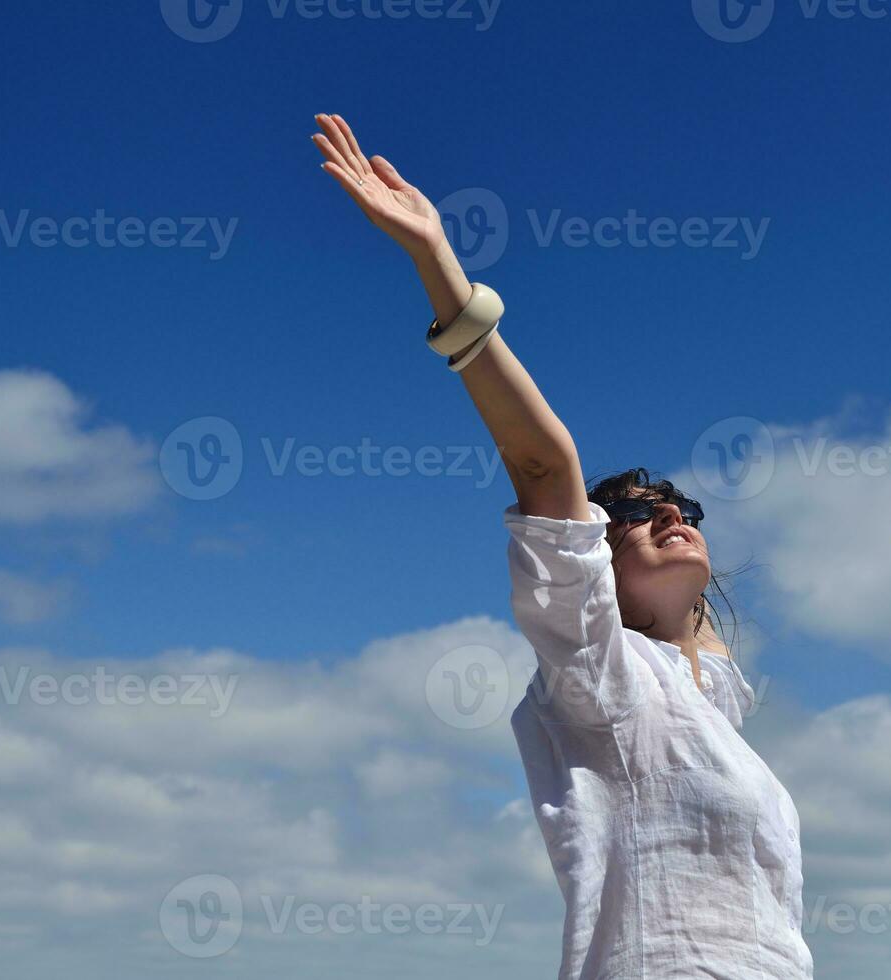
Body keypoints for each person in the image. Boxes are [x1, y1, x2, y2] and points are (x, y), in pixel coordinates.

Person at [312, 113, 812, 980]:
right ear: (588, 560)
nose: (662, 515)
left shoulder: (712, 706)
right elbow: (544, 466)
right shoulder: (599, 673)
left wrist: (690, 615)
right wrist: (438, 263)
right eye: (625, 514)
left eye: (678, 504)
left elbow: (704, 653)